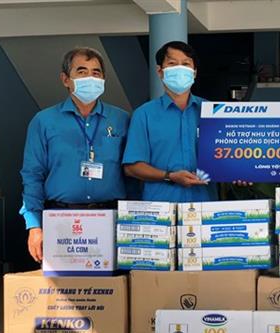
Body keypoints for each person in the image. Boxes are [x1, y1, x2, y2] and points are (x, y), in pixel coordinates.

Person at [20, 47, 130, 263]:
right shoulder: (44, 121)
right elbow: (32, 175)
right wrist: (34, 226)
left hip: (111, 220)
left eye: (96, 73)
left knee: (112, 283)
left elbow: (132, 173)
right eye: (82, 71)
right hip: (60, 221)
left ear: (104, 79)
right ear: (65, 79)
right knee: (65, 283)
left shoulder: (121, 120)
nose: (90, 77)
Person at [122, 41, 218, 202]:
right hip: (160, 208)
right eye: (172, 63)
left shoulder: (213, 113)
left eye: (186, 64)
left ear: (194, 72)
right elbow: (132, 168)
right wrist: (170, 176)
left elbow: (227, 158)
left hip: (205, 205)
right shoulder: (144, 115)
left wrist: (239, 173)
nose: (180, 69)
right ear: (160, 71)